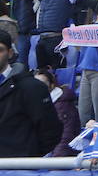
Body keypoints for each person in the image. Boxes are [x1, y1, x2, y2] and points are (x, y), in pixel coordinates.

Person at [0, 30, 60, 158]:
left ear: (10, 53)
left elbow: (51, 131)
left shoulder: (32, 87)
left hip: (20, 170)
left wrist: (28, 155)